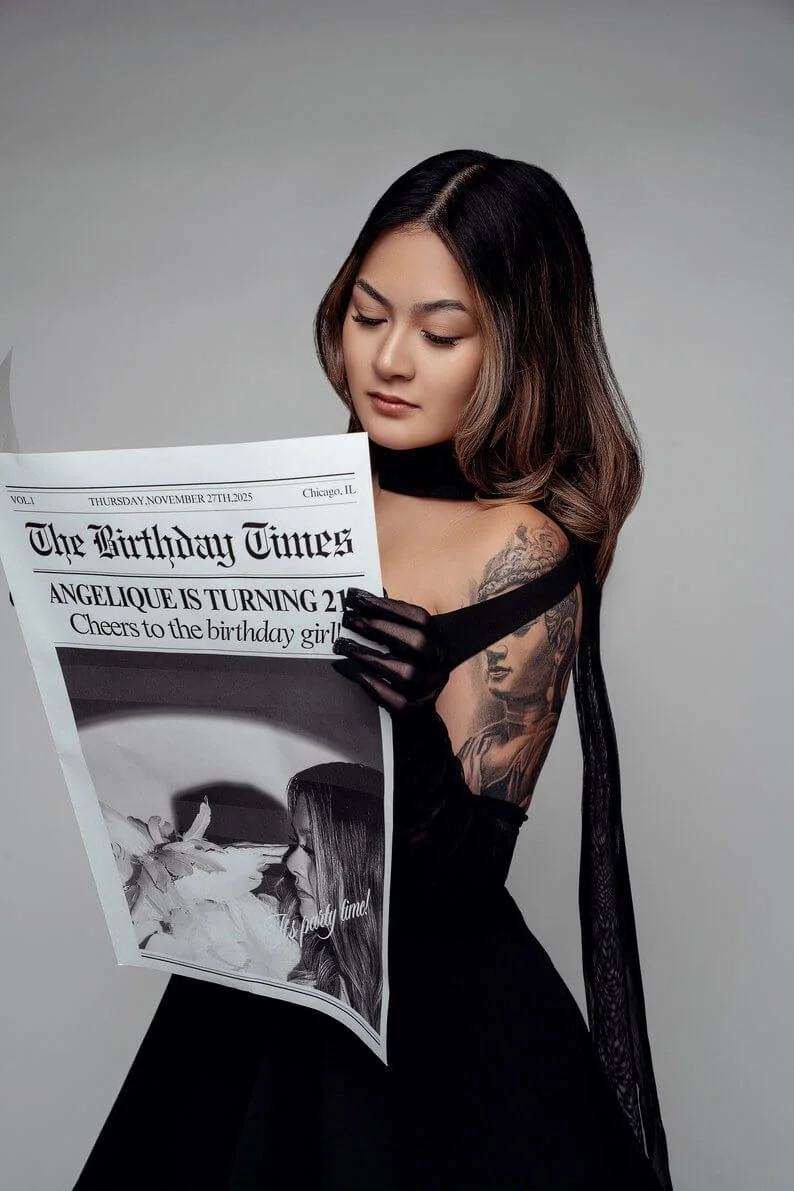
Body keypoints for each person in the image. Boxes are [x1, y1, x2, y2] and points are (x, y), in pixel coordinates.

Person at [74, 148, 673, 1190]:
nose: (389, 359)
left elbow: (459, 878)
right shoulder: (301, 495)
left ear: (519, 347)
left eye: (441, 333)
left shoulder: (524, 545)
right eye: (366, 315)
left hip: (435, 1042)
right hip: (253, 982)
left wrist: (412, 728)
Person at [276, 761, 385, 1029]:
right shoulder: (287, 943)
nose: (291, 864)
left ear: (358, 861)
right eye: (295, 843)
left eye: (311, 848)